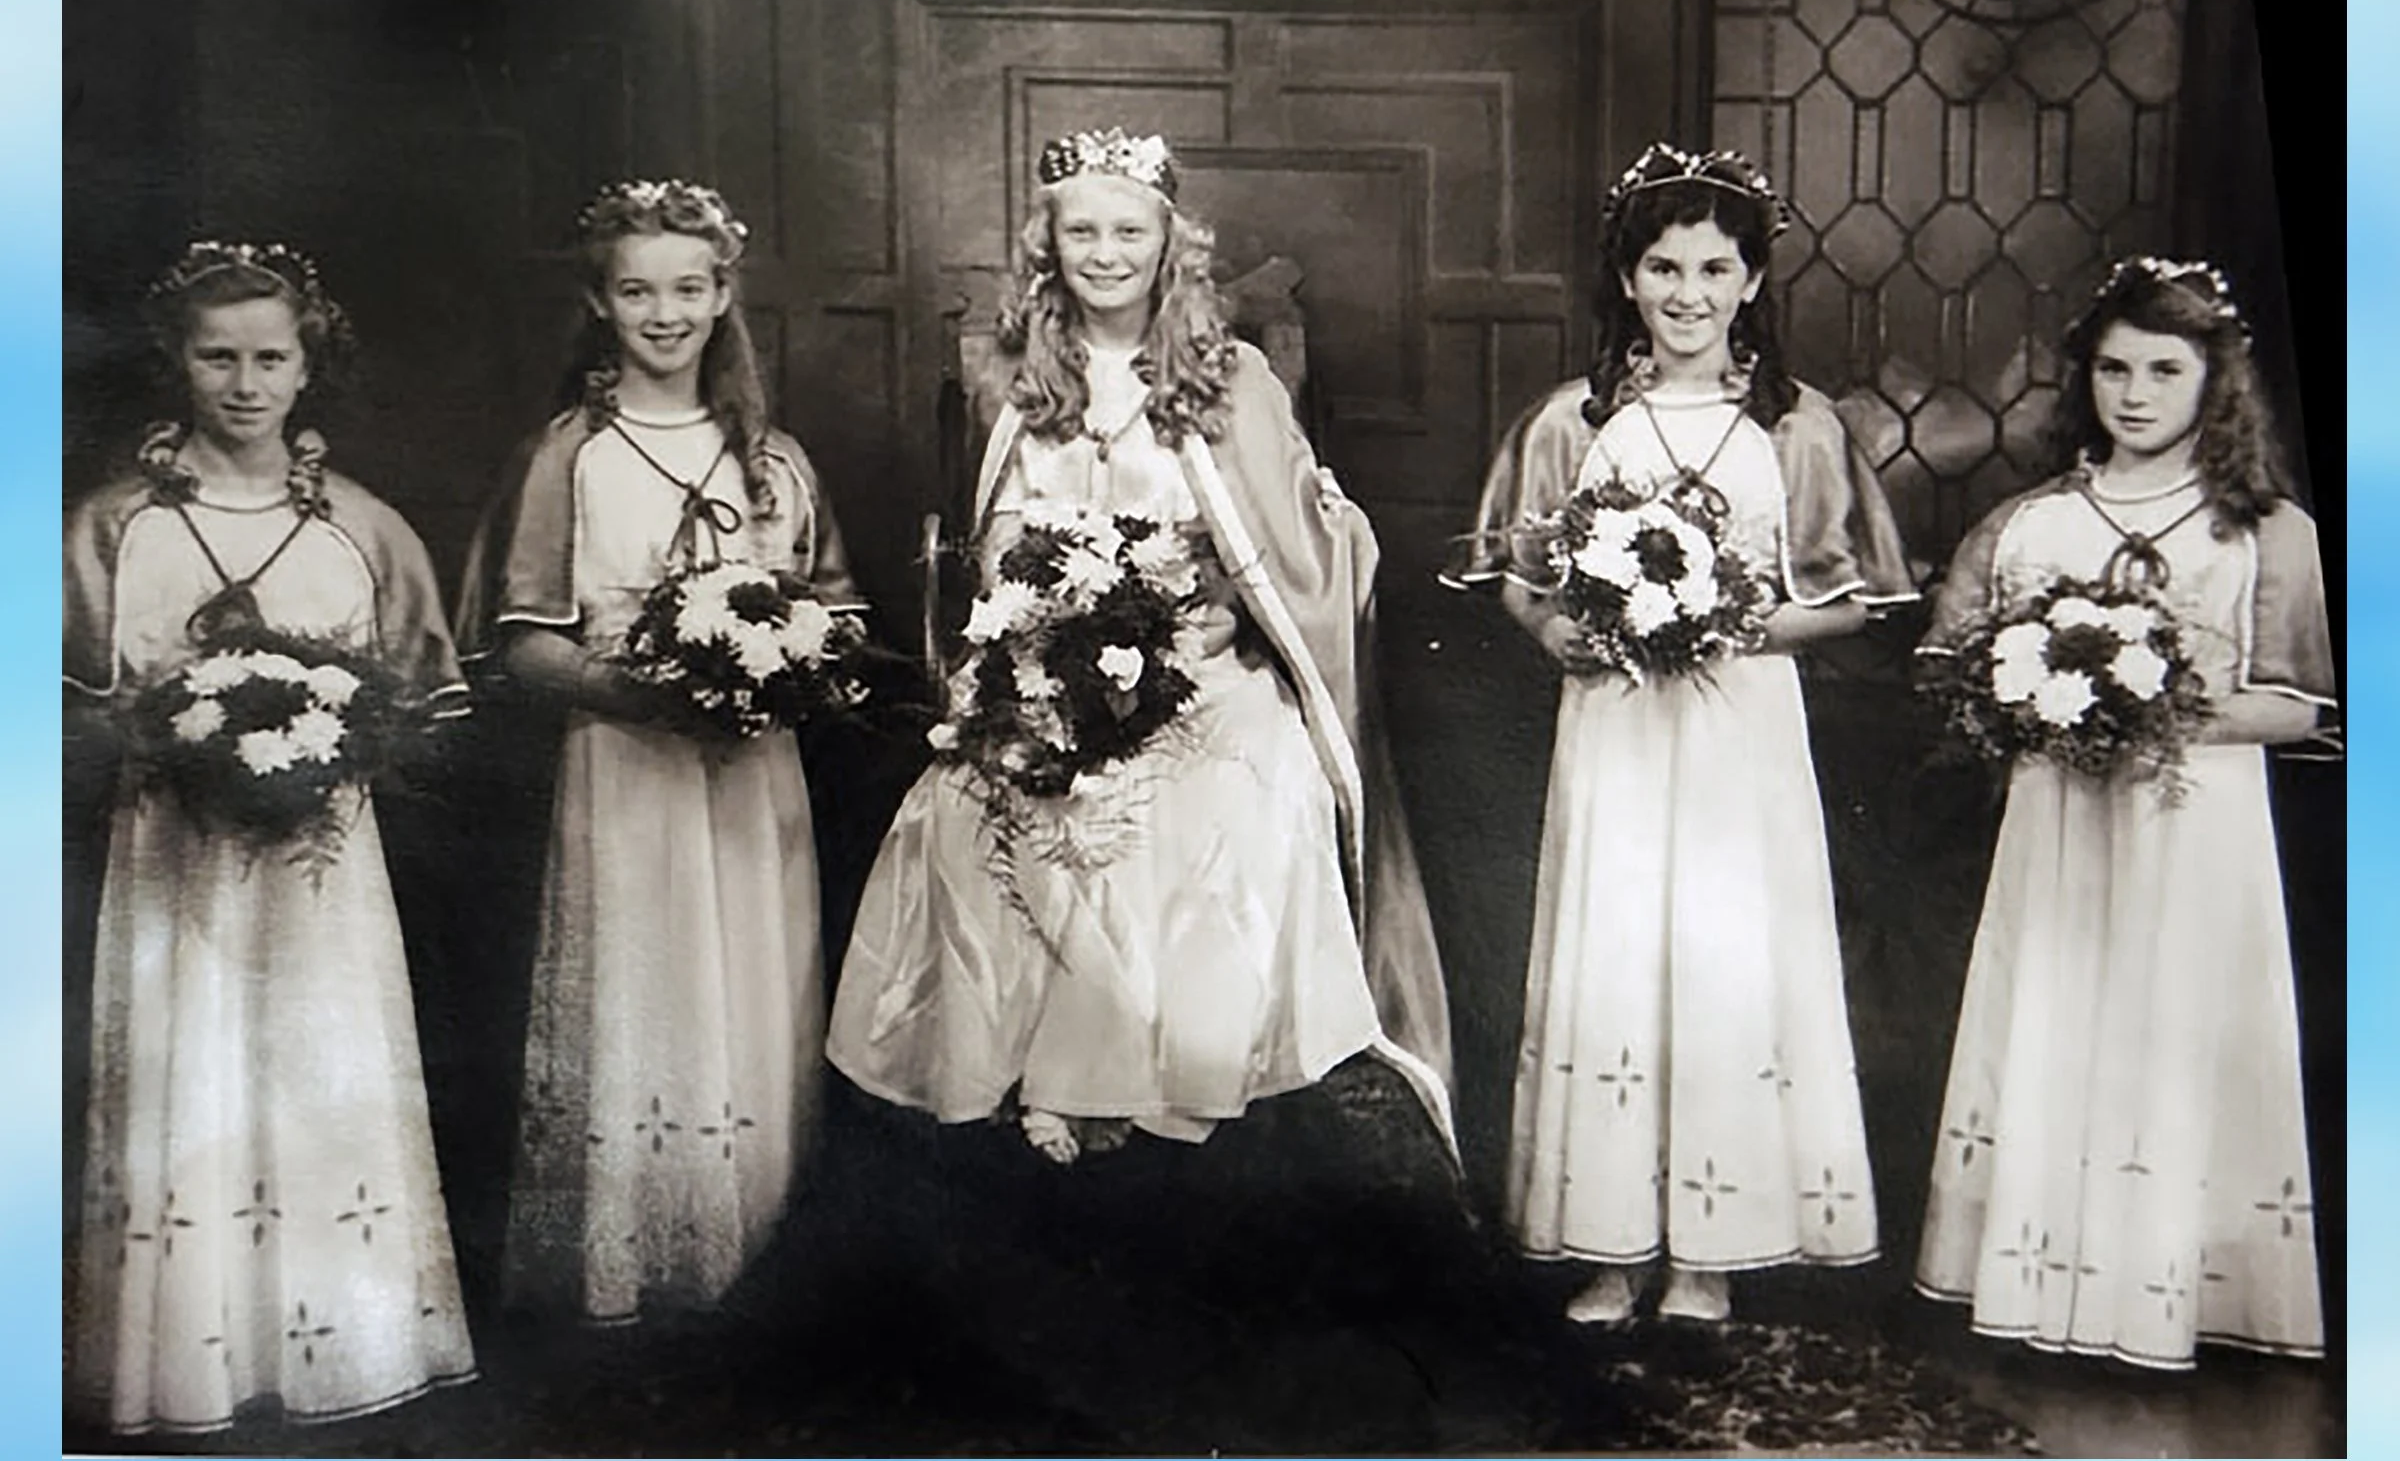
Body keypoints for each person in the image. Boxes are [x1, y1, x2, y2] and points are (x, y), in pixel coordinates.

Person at [826, 126, 1454, 1164]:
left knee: (1227, 794)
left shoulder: (1229, 375)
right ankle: (1038, 1084)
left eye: (1129, 231)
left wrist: (1209, 609)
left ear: (1171, 245)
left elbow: (1280, 543)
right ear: (1049, 244)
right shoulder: (1016, 379)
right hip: (1046, 669)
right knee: (974, 804)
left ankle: (1170, 1082)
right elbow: (994, 547)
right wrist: (1033, 651)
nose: (1105, 253)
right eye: (1082, 231)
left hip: (1202, 667)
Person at [1448, 144, 1914, 1323]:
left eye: (1716, 268)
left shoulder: (1798, 430)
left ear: (1754, 281)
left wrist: (1731, 626)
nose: (1689, 294)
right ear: (1627, 278)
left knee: (1722, 956)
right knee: (1617, 948)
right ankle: (1610, 1240)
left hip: (1737, 737)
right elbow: (1518, 570)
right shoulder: (1576, 420)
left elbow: (1856, 595)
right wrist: (1553, 628)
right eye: (1663, 267)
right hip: (1612, 726)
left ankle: (1710, 1245)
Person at [65, 241, 476, 1432]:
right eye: (217, 358)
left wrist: (336, 747)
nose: (244, 383)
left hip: (322, 877)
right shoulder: (110, 526)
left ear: (309, 367)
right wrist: (175, 744)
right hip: (172, 862)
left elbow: (435, 711)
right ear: (177, 365)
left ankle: (341, 1345)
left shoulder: (364, 528)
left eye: (269, 357)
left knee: (321, 1072)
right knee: (187, 1078)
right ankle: (184, 1353)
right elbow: (58, 710)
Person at [1913, 257, 2334, 1368]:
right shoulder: (2034, 524)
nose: (2134, 393)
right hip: (2059, 831)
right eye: (2112, 368)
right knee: (2058, 1015)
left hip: (2194, 838)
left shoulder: (2262, 531)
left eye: (2163, 369)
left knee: (2178, 1032)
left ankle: (2167, 1291)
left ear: (2216, 381)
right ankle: (2038, 1278)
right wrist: (2045, 706)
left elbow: (2296, 707)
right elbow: (1955, 671)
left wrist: (2156, 707)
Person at [455, 179, 857, 1324]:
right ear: (600, 302)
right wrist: (641, 691)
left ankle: (756, 1256)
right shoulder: (569, 456)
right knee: (646, 988)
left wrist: (775, 667)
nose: (665, 313)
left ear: (725, 295)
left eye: (689, 288)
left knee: (754, 987)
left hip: (749, 774)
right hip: (623, 770)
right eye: (637, 291)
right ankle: (636, 1266)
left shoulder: (772, 460)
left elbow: (842, 617)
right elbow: (523, 640)